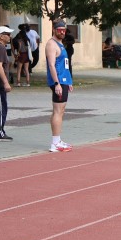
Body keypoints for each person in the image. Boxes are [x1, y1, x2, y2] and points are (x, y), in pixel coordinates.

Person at [45, 22, 74, 152]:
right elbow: (51, 65)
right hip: (58, 81)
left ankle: (57, 140)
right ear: (54, 30)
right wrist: (57, 83)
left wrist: (69, 81)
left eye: (64, 30)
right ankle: (55, 143)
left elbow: (64, 65)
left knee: (60, 111)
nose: (62, 32)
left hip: (64, 81)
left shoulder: (60, 43)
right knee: (58, 111)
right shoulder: (51, 44)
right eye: (59, 30)